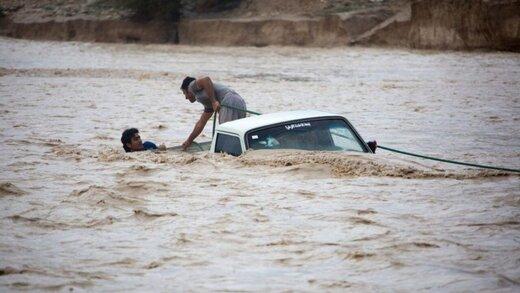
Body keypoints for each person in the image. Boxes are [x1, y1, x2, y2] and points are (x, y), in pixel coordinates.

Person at [180, 76, 247, 150]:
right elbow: (201, 123)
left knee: (225, 132)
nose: (186, 98)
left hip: (229, 100)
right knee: (235, 133)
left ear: (187, 90)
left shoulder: (191, 86)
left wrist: (213, 101)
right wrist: (189, 141)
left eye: (184, 93)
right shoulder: (207, 101)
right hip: (239, 102)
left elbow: (206, 79)